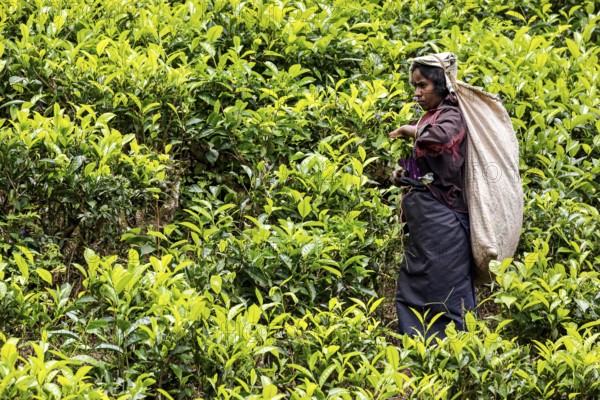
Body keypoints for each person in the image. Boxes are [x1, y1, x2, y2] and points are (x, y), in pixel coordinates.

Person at [389, 53, 476, 339]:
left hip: (445, 221)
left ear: (440, 84)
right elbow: (429, 167)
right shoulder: (431, 116)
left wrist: (409, 131)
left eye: (422, 85)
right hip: (426, 222)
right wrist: (404, 172)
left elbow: (439, 140)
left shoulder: (451, 115)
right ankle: (416, 348)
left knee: (445, 288)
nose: (417, 93)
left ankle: (452, 351)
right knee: (416, 284)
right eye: (414, 86)